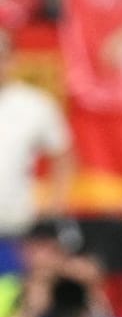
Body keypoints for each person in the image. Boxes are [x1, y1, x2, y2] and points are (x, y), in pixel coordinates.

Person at [0, 29, 74, 239]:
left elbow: (63, 156)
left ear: (13, 60)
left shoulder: (35, 105)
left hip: (13, 227)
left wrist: (54, 206)